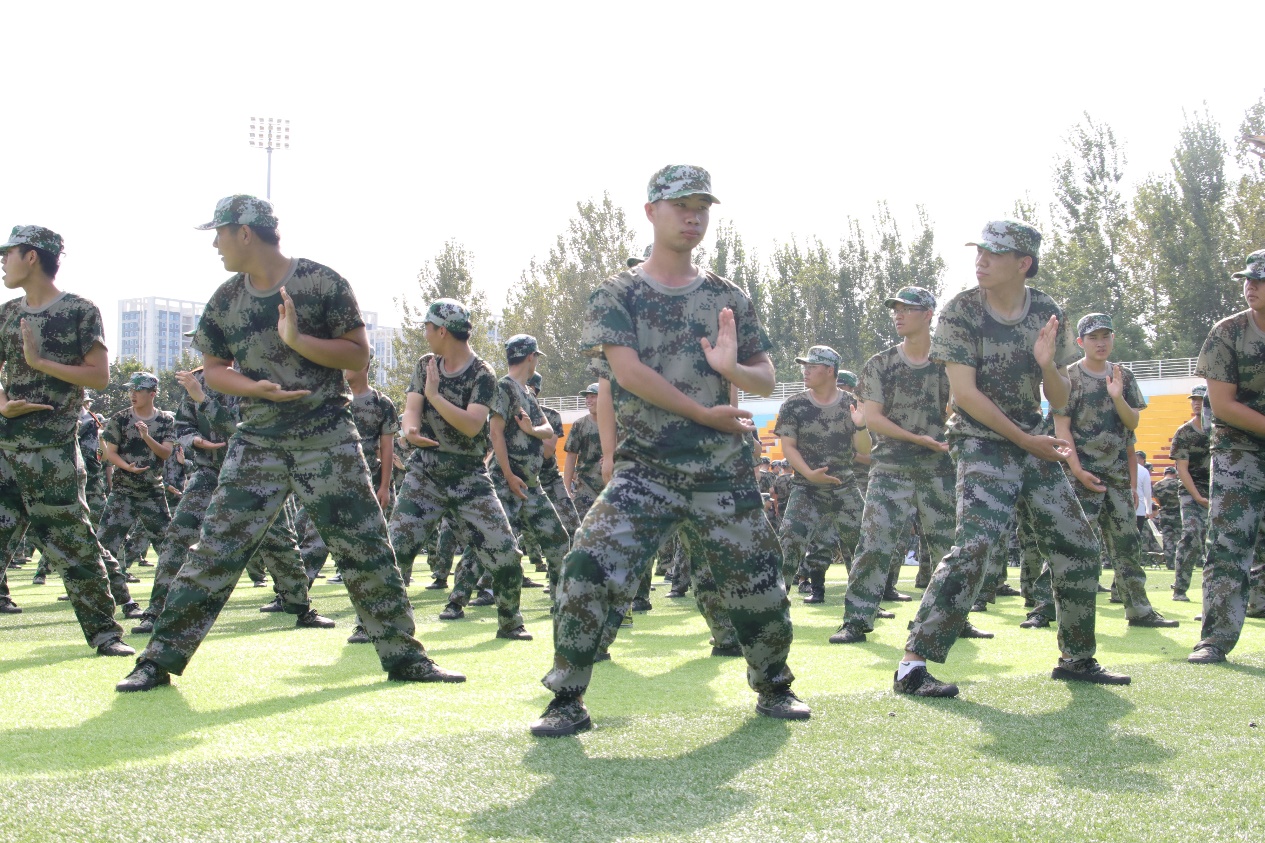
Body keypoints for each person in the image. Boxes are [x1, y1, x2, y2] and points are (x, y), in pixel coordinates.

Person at [116, 195, 462, 691]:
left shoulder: (321, 282)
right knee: (214, 550)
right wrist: (255, 388)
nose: (215, 245)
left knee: (366, 548)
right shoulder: (226, 299)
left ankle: (406, 658)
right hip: (257, 439)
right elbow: (214, 371)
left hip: (327, 436)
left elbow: (357, 356)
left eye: (219, 233)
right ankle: (158, 660)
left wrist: (298, 340)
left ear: (245, 232)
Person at [531, 165, 808, 737]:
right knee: (586, 566)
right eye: (681, 205)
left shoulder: (728, 297)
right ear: (651, 211)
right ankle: (566, 697)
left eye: (702, 207)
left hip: (721, 471)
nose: (693, 217)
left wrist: (733, 369)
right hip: (648, 470)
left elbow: (764, 375)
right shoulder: (618, 294)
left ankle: (774, 685)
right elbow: (626, 374)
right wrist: (701, 411)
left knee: (759, 585)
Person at [894, 220, 1129, 697]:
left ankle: (1077, 658)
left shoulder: (1046, 311)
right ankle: (912, 666)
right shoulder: (961, 311)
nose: (980, 261)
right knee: (976, 545)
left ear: (1024, 263)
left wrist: (1046, 364)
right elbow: (964, 395)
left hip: (1032, 440)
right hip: (981, 441)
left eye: (994, 254)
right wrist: (1026, 439)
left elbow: (1059, 396)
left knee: (1078, 545)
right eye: (978, 251)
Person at [0, 225, 132, 654]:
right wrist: (3, 404)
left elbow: (99, 376)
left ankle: (106, 635)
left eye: (8, 253)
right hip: (5, 446)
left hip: (53, 450)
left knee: (74, 547)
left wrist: (38, 362)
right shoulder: (6, 313)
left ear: (32, 256)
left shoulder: (79, 310)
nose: (2, 261)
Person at [832, 286, 971, 643]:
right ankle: (856, 621)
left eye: (907, 308)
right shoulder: (881, 364)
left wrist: (948, 426)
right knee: (874, 545)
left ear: (928, 315)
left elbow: (960, 407)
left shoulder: (949, 362)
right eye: (895, 308)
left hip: (938, 466)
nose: (898, 314)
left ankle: (954, 619)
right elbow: (874, 419)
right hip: (891, 467)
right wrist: (919, 438)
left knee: (947, 546)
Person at [387, 298, 530, 640]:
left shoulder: (483, 374)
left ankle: (510, 621)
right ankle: (377, 624)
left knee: (505, 554)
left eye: (427, 327)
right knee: (395, 550)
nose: (424, 333)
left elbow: (471, 425)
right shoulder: (425, 365)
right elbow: (412, 408)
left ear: (442, 331)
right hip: (425, 473)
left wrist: (436, 397)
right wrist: (410, 430)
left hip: (468, 476)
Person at [1051, 313, 1176, 628]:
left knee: (1127, 546)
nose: (1100, 342)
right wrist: (1077, 470)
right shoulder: (1069, 377)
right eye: (1093, 337)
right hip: (1079, 477)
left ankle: (1139, 610)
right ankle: (1046, 608)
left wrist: (1117, 396)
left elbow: (1132, 424)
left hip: (1117, 478)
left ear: (1113, 338)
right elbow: (1061, 427)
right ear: (1080, 342)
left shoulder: (1124, 376)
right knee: (1072, 544)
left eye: (1105, 336)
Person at [1189, 250, 1265, 663]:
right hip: (1239, 449)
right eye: (1248, 279)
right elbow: (1223, 405)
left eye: (1260, 280)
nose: (1250, 286)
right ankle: (1215, 638)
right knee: (1229, 541)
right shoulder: (1228, 332)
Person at [774, 345, 867, 604]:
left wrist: (861, 426)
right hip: (806, 487)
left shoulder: (851, 404)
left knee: (863, 544)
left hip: (844, 486)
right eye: (805, 367)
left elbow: (864, 449)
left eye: (812, 367)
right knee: (790, 539)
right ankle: (775, 603)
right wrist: (809, 474)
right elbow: (789, 447)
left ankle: (866, 603)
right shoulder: (794, 404)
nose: (805, 371)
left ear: (829, 371)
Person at [97, 371, 175, 577]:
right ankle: (109, 589)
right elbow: (110, 453)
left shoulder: (166, 420)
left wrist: (146, 436)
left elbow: (165, 453)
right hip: (123, 491)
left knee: (168, 548)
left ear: (152, 393)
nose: (133, 394)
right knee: (105, 545)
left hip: (153, 492)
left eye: (138, 390)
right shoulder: (120, 419)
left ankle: (171, 592)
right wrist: (127, 467)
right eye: (131, 390)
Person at [1170, 385, 1210, 602]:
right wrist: (1197, 497)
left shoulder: (1222, 430)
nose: (1196, 403)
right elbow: (1182, 469)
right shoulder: (1184, 432)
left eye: (1201, 399)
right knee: (1192, 534)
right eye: (1194, 399)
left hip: (1219, 490)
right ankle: (1180, 588)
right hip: (1192, 490)